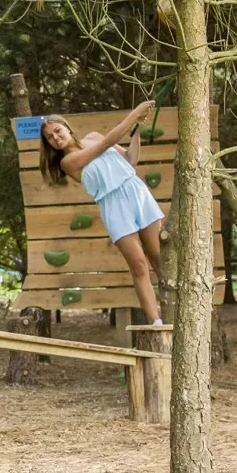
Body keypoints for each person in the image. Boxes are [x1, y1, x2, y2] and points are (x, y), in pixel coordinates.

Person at [39, 101, 165, 323]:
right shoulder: (67, 163)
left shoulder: (93, 136)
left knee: (159, 257)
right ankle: (156, 322)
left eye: (57, 131)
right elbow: (108, 142)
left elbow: (130, 159)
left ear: (67, 127)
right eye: (50, 137)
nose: (56, 138)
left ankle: (177, 308)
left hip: (136, 192)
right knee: (138, 265)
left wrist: (136, 131)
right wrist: (134, 114)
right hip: (113, 206)